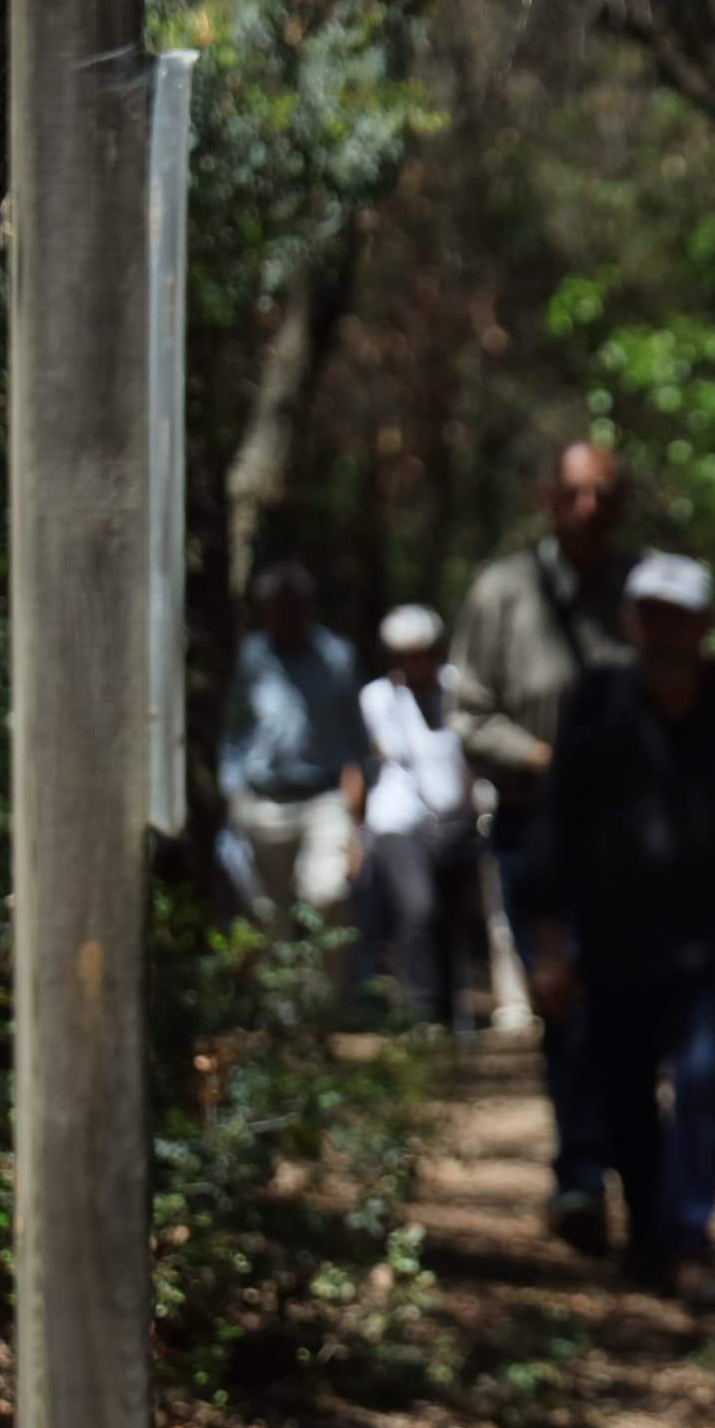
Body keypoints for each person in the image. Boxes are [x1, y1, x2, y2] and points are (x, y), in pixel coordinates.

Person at [541, 553, 715, 1294]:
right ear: (632, 619)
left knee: (701, 1080)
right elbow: (557, 825)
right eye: (651, 613)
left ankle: (690, 1235)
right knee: (622, 1086)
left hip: (712, 939)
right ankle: (648, 1233)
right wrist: (552, 943)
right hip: (615, 937)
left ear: (705, 626)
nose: (664, 631)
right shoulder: (595, 704)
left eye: (679, 615)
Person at [452, 439, 637, 1256]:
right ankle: (579, 1178)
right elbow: (466, 714)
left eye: (604, 495)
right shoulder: (502, 593)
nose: (589, 509)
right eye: (575, 494)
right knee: (562, 1002)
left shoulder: (643, 591)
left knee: (632, 1008)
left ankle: (645, 1180)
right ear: (548, 500)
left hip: (636, 837)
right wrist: (542, 759)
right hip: (537, 832)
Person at [217, 558, 372, 927]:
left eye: (293, 607)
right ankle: (287, 985)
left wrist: (358, 813)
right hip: (263, 804)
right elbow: (234, 731)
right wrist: (234, 792)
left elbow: (359, 740)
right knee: (271, 917)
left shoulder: (337, 657)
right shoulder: (252, 658)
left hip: (323, 798)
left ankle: (328, 985)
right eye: (277, 609)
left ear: (308, 608)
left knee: (328, 894)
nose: (286, 617)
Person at [355, 605, 479, 1028]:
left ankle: (448, 1014)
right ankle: (418, 1011)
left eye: (423, 654)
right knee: (418, 909)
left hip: (457, 822)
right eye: (404, 656)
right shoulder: (379, 698)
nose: (415, 664)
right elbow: (397, 748)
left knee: (451, 919)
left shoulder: (457, 689)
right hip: (399, 822)